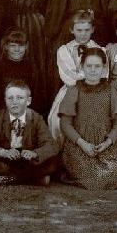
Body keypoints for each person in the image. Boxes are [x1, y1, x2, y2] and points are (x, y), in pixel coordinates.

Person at [58, 47, 117, 190]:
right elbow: (65, 123)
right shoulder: (74, 90)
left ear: (103, 68)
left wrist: (107, 142)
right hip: (79, 146)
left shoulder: (110, 90)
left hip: (105, 146)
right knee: (94, 179)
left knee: (109, 177)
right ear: (82, 67)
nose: (93, 70)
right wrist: (82, 143)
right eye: (89, 66)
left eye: (97, 66)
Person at [0, 80, 62, 187]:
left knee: (54, 162)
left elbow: (51, 145)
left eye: (20, 98)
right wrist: (3, 152)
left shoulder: (36, 118)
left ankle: (0, 179)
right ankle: (34, 179)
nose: (14, 102)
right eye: (10, 98)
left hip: (27, 160)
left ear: (28, 101)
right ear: (5, 100)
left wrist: (34, 153)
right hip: (4, 159)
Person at [47, 9, 105, 140]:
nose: (83, 34)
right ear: (71, 30)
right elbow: (68, 77)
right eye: (79, 30)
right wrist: (88, 75)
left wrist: (84, 76)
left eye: (86, 30)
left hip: (94, 92)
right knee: (57, 121)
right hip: (71, 91)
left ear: (93, 30)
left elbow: (102, 75)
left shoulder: (100, 50)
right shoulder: (64, 50)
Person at [0, 28, 45, 123]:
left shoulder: (31, 67)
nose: (17, 49)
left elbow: (37, 96)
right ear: (6, 47)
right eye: (13, 46)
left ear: (26, 46)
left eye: (21, 46)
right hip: (2, 113)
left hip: (25, 112)